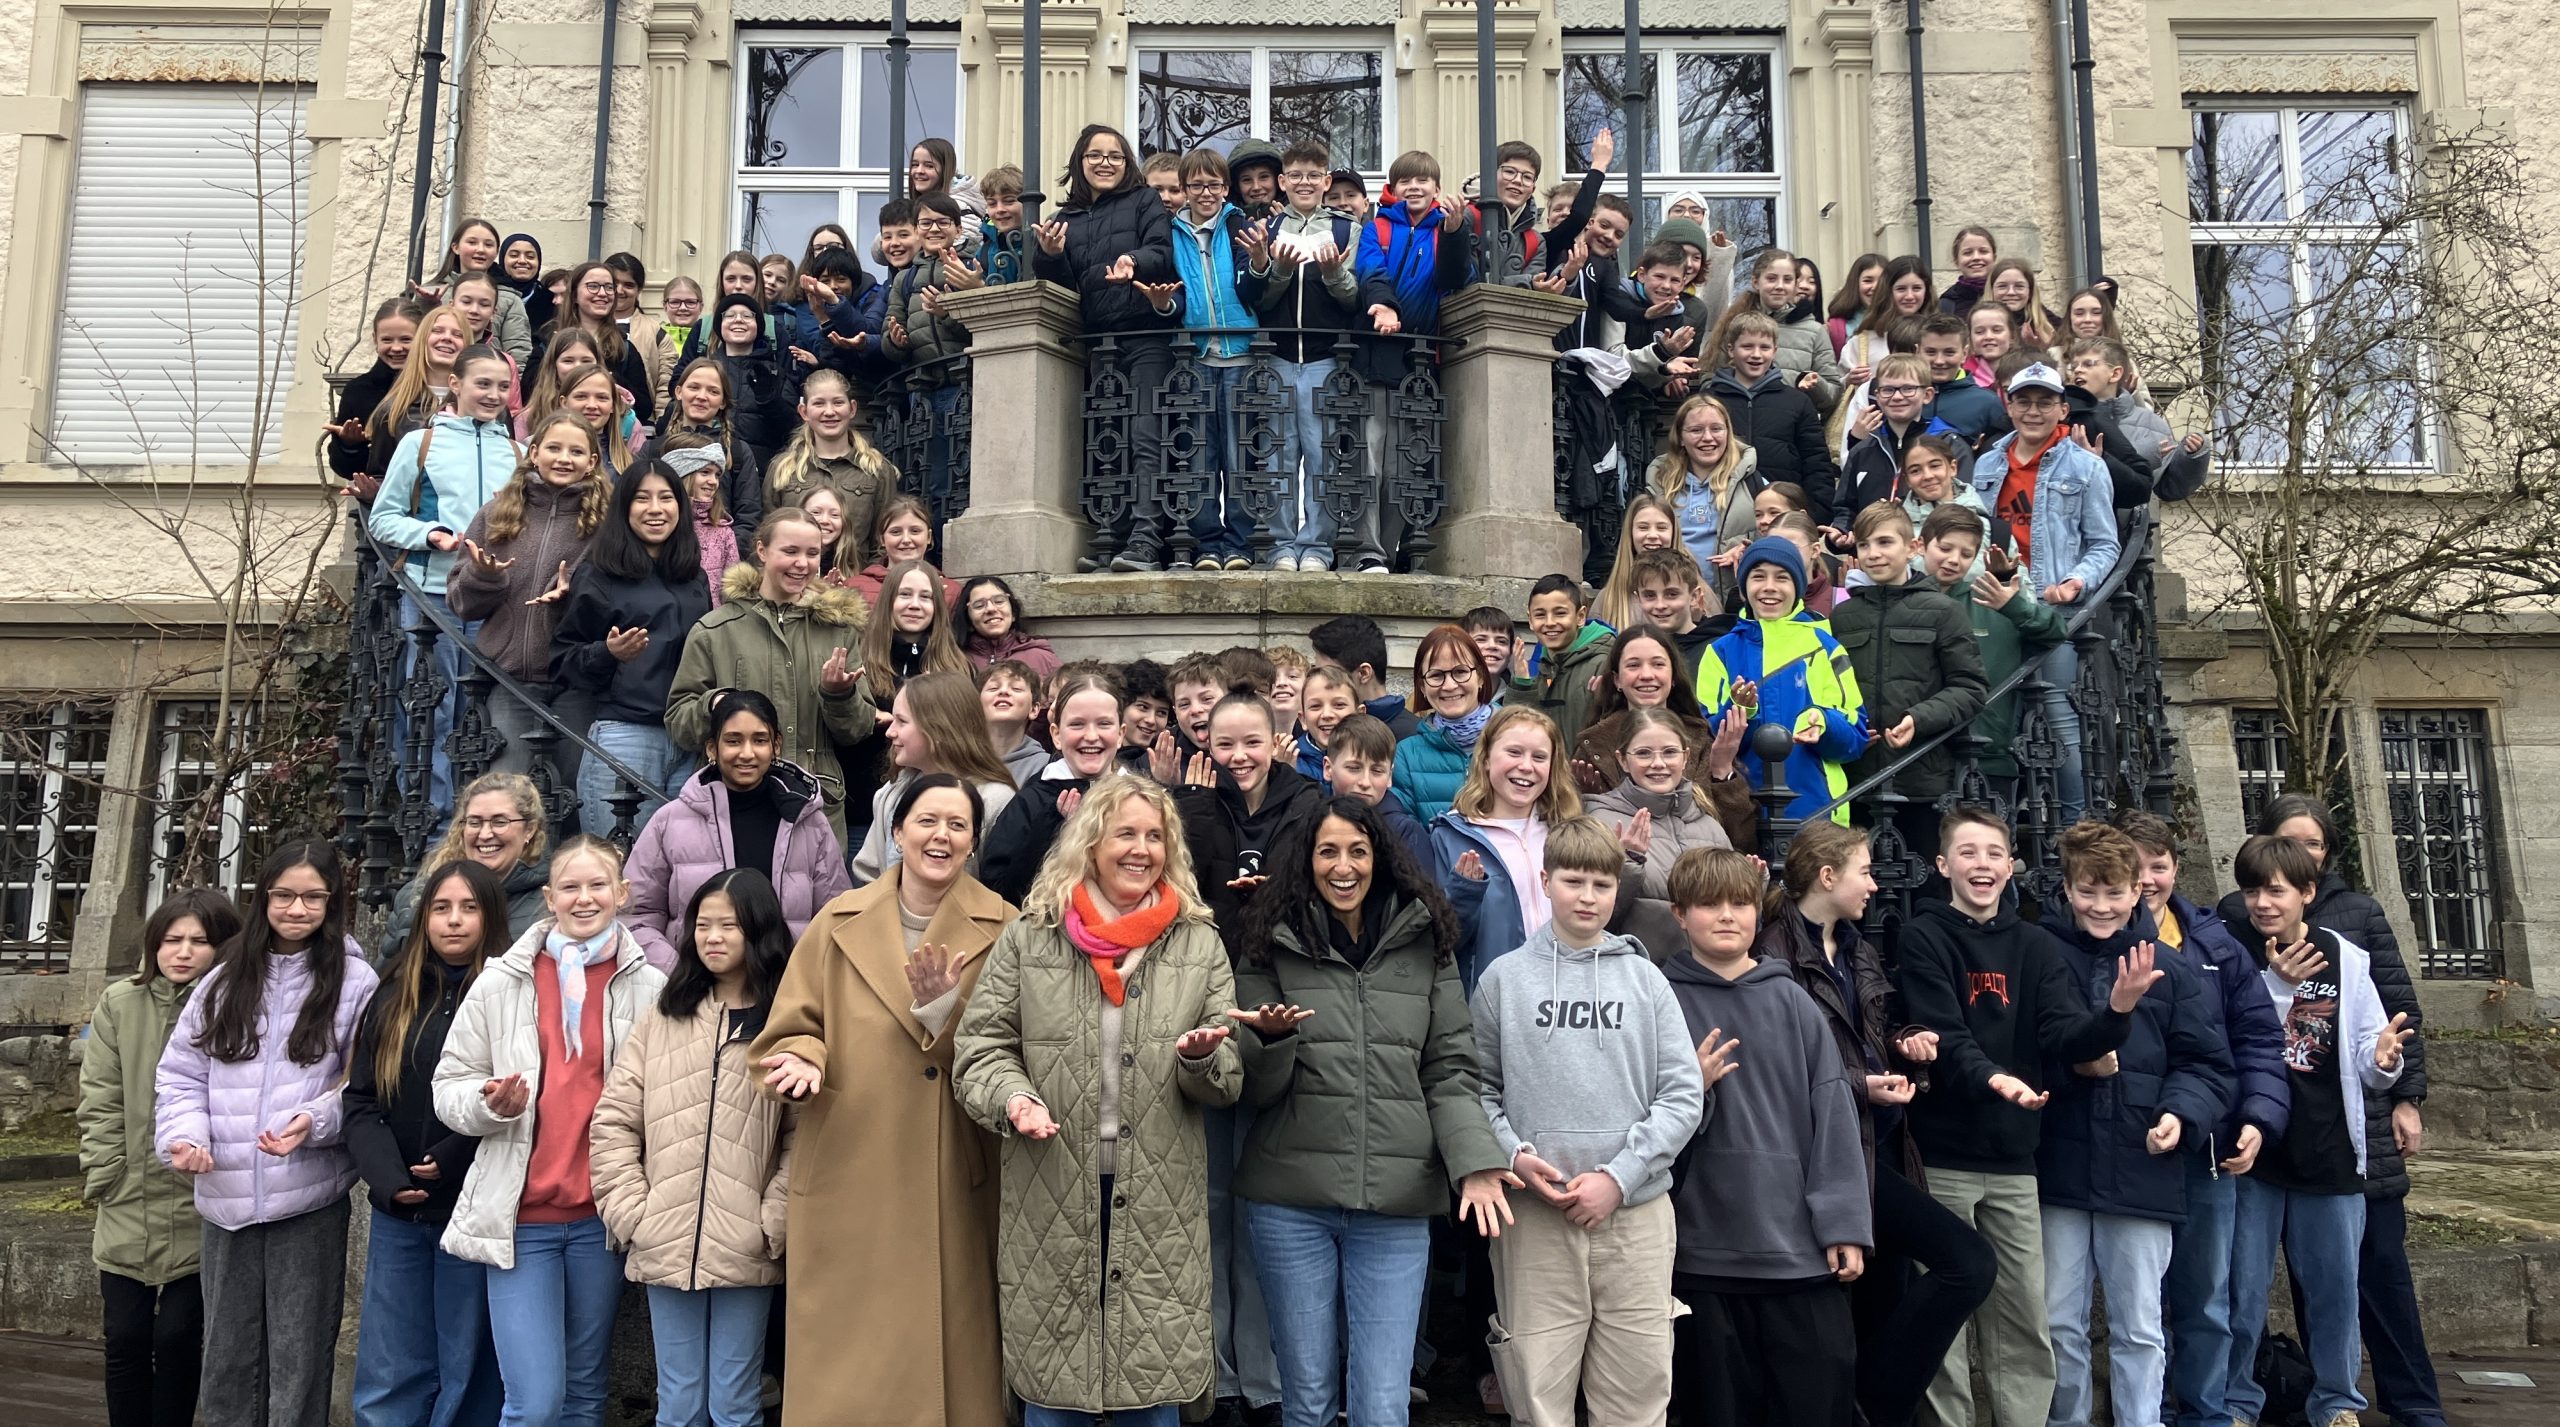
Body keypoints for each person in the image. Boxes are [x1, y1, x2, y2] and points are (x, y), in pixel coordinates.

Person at [951, 774, 1248, 1427]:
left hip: (1159, 1195)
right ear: (1090, 843)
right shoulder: (1032, 935)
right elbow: (980, 1048)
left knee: (1149, 1386)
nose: (1141, 849)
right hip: (1051, 1184)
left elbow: (1227, 1078)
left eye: (1155, 836)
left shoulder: (1197, 942)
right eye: (1125, 834)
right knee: (1055, 1384)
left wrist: (1201, 1058)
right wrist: (1014, 1098)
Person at [1229, 794, 1516, 1427]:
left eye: (1357, 851)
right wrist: (1270, 1042)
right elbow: (1256, 1090)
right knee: (1306, 1401)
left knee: (1383, 1405)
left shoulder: (1425, 939)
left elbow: (1450, 1067)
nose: (1343, 866)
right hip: (1290, 1201)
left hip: (1397, 1200)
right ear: (1306, 861)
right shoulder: (1269, 942)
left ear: (1380, 858)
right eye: (1327, 852)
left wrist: (1475, 1162)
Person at [753, 773, 1016, 1427]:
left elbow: (1016, 1046)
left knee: (947, 1360)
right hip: (851, 1162)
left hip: (952, 1168)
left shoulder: (1007, 925)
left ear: (974, 841)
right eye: (927, 820)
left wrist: (942, 1010)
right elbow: (791, 1026)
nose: (941, 835)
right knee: (849, 1365)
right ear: (897, 831)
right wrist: (802, 1057)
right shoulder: (837, 920)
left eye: (958, 824)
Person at [1894, 807, 2146, 1427]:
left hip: (2014, 1160)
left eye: (1993, 854)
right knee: (1944, 1318)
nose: (1982, 865)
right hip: (1943, 1157)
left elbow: (2064, 1032)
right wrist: (1995, 1079)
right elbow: (1945, 1033)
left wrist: (2116, 1012)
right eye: (1968, 853)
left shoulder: (2034, 945)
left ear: (2011, 867)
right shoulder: (1923, 936)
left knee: (2023, 1318)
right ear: (1943, 865)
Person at [1470, 815, 1704, 1427]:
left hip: (1635, 1216)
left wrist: (1619, 1178)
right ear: (1546, 881)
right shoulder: (1502, 981)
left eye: (1602, 885)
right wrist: (1513, 1154)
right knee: (1537, 1393)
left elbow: (1683, 1095)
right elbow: (1477, 1090)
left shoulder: (1647, 980)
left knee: (1636, 1394)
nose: (1588, 897)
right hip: (1533, 1217)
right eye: (1574, 882)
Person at [431, 836, 667, 1427]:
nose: (584, 898)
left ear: (622, 893)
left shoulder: (653, 988)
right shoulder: (501, 981)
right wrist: (488, 1105)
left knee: (585, 1396)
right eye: (570, 887)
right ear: (548, 897)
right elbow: (449, 1084)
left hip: (601, 1219)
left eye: (597, 886)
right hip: (520, 1221)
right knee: (534, 1403)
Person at [155, 842, 378, 1427]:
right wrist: (187, 1137)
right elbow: (181, 1074)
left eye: (312, 897)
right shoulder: (223, 978)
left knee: (300, 1358)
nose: (296, 909)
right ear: (263, 898)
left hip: (308, 1196)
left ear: (333, 902)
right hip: (225, 1193)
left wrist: (314, 1122)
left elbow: (362, 1081)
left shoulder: (356, 981)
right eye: (283, 895)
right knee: (226, 1358)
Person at [1661, 847, 1870, 1427]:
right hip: (1699, 1255)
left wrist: (1844, 1224)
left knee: (1815, 1400)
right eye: (1709, 904)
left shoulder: (1794, 1001)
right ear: (1679, 915)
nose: (1727, 916)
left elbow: (1833, 1114)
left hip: (1796, 1253)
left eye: (1740, 903)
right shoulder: (1659, 999)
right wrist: (1690, 1090)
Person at [2036, 823, 2235, 1427]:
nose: (2101, 906)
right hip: (2058, 1168)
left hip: (2143, 1168)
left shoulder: (2171, 969)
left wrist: (2180, 1113)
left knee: (2141, 1326)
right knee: (2057, 1322)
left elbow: (2207, 1064)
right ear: (2067, 889)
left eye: (2114, 893)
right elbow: (2025, 1049)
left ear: (2135, 892)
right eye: (2087, 892)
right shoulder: (2040, 956)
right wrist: (2073, 1069)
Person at [2222, 832, 2414, 1427]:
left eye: (2276, 891)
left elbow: (2367, 1050)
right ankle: (2237, 1402)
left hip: (2328, 1149)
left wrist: (2384, 1062)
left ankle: (2337, 1403)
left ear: (2306, 893)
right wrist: (2278, 986)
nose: (2262, 903)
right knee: (2242, 1293)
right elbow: (2238, 1036)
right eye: (2252, 891)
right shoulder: (2231, 952)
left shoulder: (2344, 957)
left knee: (2335, 1290)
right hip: (2253, 1152)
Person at [591, 869, 795, 1427]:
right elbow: (614, 1120)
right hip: (663, 1235)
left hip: (747, 1243)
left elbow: (803, 1137)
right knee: (677, 1405)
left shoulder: (785, 1022)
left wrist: (772, 1221)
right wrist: (634, 1213)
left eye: (729, 925)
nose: (713, 937)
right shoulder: (664, 1014)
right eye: (703, 925)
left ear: (759, 931)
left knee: (735, 1405)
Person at [2115, 810, 2291, 1427]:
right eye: (2134, 867)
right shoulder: (2098, 941)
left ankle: (2205, 1411)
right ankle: (2151, 1411)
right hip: (2134, 1146)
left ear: (2176, 869)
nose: (2147, 880)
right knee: (2141, 1302)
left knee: (2208, 1297)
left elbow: (2258, 1038)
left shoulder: (2217, 944)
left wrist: (2258, 1117)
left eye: (2158, 866)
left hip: (2208, 1146)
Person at [343, 861, 508, 1427]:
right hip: (399, 1210)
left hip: (472, 1206)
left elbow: (518, 1096)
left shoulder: (512, 996)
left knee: (468, 1360)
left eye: (469, 908)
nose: (454, 921)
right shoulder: (393, 994)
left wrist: (450, 1155)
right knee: (391, 1362)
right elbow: (361, 1100)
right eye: (441, 908)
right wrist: (388, 1177)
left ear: (490, 917)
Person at [80, 888, 240, 1427]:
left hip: (201, 1198)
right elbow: (100, 1096)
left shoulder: (235, 1002)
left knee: (177, 1337)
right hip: (127, 1193)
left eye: (199, 941)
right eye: (172, 939)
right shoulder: (119, 1002)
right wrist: (106, 1171)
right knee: (124, 1336)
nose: (183, 952)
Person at [367, 344, 523, 813]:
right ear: (455, 384)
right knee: (431, 709)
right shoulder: (421, 443)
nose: (493, 394)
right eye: (483, 384)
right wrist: (429, 533)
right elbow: (383, 519)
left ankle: (471, 817)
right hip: (432, 597)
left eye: (502, 386)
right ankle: (432, 819)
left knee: (479, 718)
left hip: (492, 600)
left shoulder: (517, 451)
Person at [665, 507, 879, 839]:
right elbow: (679, 723)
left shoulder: (838, 631)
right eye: (790, 551)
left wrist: (839, 695)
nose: (802, 563)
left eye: (812, 553)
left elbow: (858, 729)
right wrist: (715, 703)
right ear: (762, 551)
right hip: (732, 802)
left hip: (813, 803)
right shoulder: (715, 630)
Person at [1973, 363, 2119, 825]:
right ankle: (1999, 830)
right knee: (1993, 715)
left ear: (2062, 409)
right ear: (2009, 406)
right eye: (2023, 402)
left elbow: (2105, 544)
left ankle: (2076, 827)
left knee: (2059, 717)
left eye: (2044, 402)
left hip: (2053, 608)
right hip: (1995, 605)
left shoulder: (2087, 466)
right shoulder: (1987, 464)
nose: (2032, 411)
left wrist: (2076, 582)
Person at [1033, 125, 1180, 571]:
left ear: (1127, 162)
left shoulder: (1144, 200)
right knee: (1105, 440)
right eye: (1095, 155)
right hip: (1097, 343)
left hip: (1145, 335)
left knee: (1145, 436)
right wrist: (1050, 254)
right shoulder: (1065, 219)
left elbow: (1162, 250)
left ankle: (1146, 540)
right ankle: (1107, 540)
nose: (1105, 163)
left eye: (1114, 156)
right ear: (1080, 162)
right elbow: (1060, 288)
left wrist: (1133, 260)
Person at [627, 688, 851, 972]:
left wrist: (801, 982)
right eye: (733, 741)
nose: (747, 753)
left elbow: (835, 916)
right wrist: (680, 976)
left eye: (760, 740)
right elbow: (637, 915)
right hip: (696, 990)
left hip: (786, 989)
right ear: (712, 748)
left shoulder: (808, 822)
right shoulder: (669, 822)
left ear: (776, 745)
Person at [446, 411, 609, 781]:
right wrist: (484, 577)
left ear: (591, 462)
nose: (564, 458)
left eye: (576, 452)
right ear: (534, 453)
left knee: (570, 791)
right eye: (554, 448)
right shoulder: (497, 513)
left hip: (576, 682)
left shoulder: (606, 522)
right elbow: (460, 604)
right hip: (510, 680)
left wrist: (573, 597)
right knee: (509, 786)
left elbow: (616, 599)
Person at [551, 462, 712, 834]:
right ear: (624, 508)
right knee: (620, 857)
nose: (655, 509)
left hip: (688, 735)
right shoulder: (598, 574)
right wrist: (608, 653)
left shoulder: (695, 577)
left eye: (666, 498)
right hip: (626, 734)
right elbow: (562, 659)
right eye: (642, 498)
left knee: (680, 860)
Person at [1351, 150, 1476, 573]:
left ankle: (1387, 551)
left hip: (1420, 360)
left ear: (1436, 188)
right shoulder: (1378, 227)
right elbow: (1370, 271)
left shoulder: (1447, 227)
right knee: (1368, 457)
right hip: (1377, 349)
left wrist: (1456, 232)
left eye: (1423, 180)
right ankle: (1366, 550)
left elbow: (1456, 280)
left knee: (1403, 462)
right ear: (1394, 188)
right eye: (1405, 181)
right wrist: (1384, 305)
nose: (1414, 187)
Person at [1694, 537, 1870, 825]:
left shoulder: (1826, 647)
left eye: (1782, 578)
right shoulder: (1720, 653)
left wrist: (1823, 723)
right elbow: (1705, 740)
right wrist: (1740, 712)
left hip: (1818, 813)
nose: (1769, 587)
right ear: (1743, 586)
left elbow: (1855, 738)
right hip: (1741, 814)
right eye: (1758, 577)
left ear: (1797, 587)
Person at [1831, 501, 1989, 821]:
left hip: (1922, 776)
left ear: (1912, 547)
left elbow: (1970, 688)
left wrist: (1918, 719)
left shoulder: (1943, 610)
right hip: (1854, 777)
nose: (1873, 553)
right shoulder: (1842, 616)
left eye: (1884, 542)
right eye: (1864, 544)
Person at [1258, 140, 1364, 572]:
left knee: (1323, 454)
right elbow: (1261, 301)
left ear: (1326, 181)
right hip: (1278, 356)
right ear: (1283, 182)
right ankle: (1281, 545)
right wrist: (1280, 271)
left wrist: (1334, 274)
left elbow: (1353, 299)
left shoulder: (1345, 228)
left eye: (1313, 176)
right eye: (1296, 175)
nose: (1305, 183)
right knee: (1278, 454)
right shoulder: (1267, 227)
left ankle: (1317, 546)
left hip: (1324, 358)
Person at [1916, 507, 2065, 809]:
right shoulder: (1906, 601)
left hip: (1989, 754)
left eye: (1966, 554)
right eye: (1945, 548)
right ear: (1920, 546)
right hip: (1921, 756)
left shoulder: (1987, 599)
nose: (1954, 560)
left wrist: (2013, 606)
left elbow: (2054, 631)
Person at [1435, 706, 1584, 992]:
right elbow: (1442, 943)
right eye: (1514, 752)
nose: (1526, 766)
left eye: (1539, 757)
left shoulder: (1568, 830)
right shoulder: (1450, 836)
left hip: (1568, 994)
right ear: (1486, 759)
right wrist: (1464, 895)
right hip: (1496, 998)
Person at [1571, 623, 1750, 835]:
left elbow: (1739, 840)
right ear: (1617, 679)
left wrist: (1722, 771)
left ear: (1673, 677)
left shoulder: (1701, 739)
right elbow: (1577, 835)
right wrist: (1590, 800)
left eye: (1658, 664)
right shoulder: (1593, 747)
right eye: (1633, 665)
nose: (1647, 674)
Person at [852, 670, 1021, 884]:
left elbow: (1001, 887)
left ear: (939, 728)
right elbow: (870, 875)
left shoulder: (994, 800)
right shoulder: (893, 793)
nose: (890, 732)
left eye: (902, 721)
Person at [980, 664, 1128, 904]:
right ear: (1057, 735)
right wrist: (1054, 829)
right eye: (1077, 724)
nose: (1091, 736)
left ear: (1120, 734)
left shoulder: (1143, 798)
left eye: (1104, 724)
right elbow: (998, 888)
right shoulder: (1032, 800)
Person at [887, 191, 978, 539]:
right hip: (923, 391)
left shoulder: (969, 267)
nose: (935, 229)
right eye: (926, 223)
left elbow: (982, 328)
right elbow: (890, 335)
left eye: (943, 222)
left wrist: (947, 313)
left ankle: (963, 542)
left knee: (966, 471)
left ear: (957, 228)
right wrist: (896, 341)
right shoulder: (905, 279)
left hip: (964, 386)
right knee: (933, 475)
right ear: (916, 229)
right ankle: (937, 547)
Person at [1582, 705, 1738, 910]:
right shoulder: (1600, 823)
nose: (1658, 763)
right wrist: (1628, 865)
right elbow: (1595, 914)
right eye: (1643, 753)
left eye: (1670, 752)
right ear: (1623, 760)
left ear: (1685, 758)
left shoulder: (1710, 826)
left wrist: (1754, 884)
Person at [383, 773, 554, 959]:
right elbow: (388, 971)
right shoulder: (416, 895)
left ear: (529, 829)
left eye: (500, 822)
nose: (485, 834)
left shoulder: (551, 902)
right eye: (474, 822)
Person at [1707, 312, 1838, 524]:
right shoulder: (1709, 401)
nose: (1756, 355)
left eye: (1765, 347)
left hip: (1782, 514)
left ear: (1775, 351)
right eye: (1747, 346)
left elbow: (1816, 463)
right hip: (1720, 509)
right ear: (1731, 349)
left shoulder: (1797, 402)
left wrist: (1817, 516)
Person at [2066, 336, 2210, 501]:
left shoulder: (2151, 423)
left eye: (2088, 364)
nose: (2077, 370)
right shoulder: (2063, 419)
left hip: (2133, 517)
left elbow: (2170, 488)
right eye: (2074, 366)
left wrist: (2192, 458)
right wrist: (2145, 455)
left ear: (2115, 374)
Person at [1648, 395, 1762, 596]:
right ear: (1680, 438)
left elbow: (1775, 532)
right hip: (1672, 597)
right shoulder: (1659, 483)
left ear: (1728, 433)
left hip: (1733, 596)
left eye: (1716, 429)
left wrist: (1749, 549)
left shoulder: (1751, 480)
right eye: (1696, 430)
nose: (1708, 437)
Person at [643, 359, 768, 538]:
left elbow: (749, 517)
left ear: (723, 401)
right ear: (679, 392)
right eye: (694, 387)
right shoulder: (653, 449)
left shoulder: (737, 451)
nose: (702, 396)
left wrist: (722, 550)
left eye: (713, 391)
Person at [1392, 624, 1501, 824]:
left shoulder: (1517, 738)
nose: (1449, 685)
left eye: (1460, 672)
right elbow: (1404, 832)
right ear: (1422, 687)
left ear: (1480, 677)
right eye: (1436, 675)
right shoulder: (1406, 755)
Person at [1504, 574, 1612, 752]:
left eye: (1560, 613)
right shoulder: (1544, 665)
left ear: (1580, 616)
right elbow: (1518, 733)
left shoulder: (1603, 663)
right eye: (1540, 615)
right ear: (1530, 620)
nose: (1550, 623)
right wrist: (1522, 685)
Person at [423, 217, 536, 366]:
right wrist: (424, 304)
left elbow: (519, 353)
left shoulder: (510, 299)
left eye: (488, 245)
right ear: (455, 247)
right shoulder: (432, 293)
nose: (481, 250)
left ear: (496, 251)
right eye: (472, 242)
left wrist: (511, 379)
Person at [332, 299, 424, 482]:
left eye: (406, 339)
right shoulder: (357, 391)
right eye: (387, 340)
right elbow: (345, 469)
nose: (396, 348)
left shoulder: (432, 386)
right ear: (375, 339)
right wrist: (350, 446)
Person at [1308, 614, 1421, 739]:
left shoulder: (1415, 740)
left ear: (1364, 673)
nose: (1319, 682)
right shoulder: (1318, 731)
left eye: (1330, 674)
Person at [840, 497, 957, 607]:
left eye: (915, 531)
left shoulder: (952, 592)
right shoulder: (854, 588)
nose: (906, 540)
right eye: (895, 532)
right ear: (882, 539)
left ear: (929, 537)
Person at [1917, 313, 2004, 449]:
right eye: (1931, 352)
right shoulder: (1901, 397)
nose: (1939, 361)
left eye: (1949, 352)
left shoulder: (1987, 403)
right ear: (1917, 352)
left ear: (1964, 354)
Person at [959, 575, 1060, 678]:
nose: (991, 609)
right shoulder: (957, 662)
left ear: (1013, 614)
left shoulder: (1043, 659)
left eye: (999, 601)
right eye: (979, 605)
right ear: (968, 620)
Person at [1938, 226, 1998, 317]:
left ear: (1994, 257)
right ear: (1956, 261)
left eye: (1983, 251)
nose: (1976, 257)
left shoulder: (2006, 295)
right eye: (1968, 253)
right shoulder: (1946, 305)